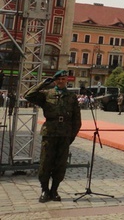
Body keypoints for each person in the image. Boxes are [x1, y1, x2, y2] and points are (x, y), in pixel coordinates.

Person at [24, 70, 81, 202]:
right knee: (45, 162)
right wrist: (43, 83)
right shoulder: (46, 94)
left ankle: (54, 190)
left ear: (67, 80)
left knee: (60, 164)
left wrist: (71, 137)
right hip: (49, 133)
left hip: (64, 134)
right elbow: (28, 95)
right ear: (55, 80)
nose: (61, 81)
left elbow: (77, 120)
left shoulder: (71, 97)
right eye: (58, 79)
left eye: (63, 78)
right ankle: (44, 190)